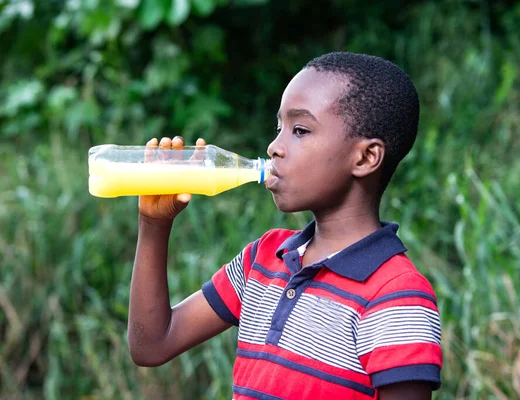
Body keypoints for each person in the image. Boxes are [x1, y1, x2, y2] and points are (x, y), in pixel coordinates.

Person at [128, 52, 442, 400]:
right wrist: (154, 224)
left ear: (366, 157)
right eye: (279, 128)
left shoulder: (396, 296)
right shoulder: (262, 260)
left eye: (300, 130)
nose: (274, 147)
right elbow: (152, 345)